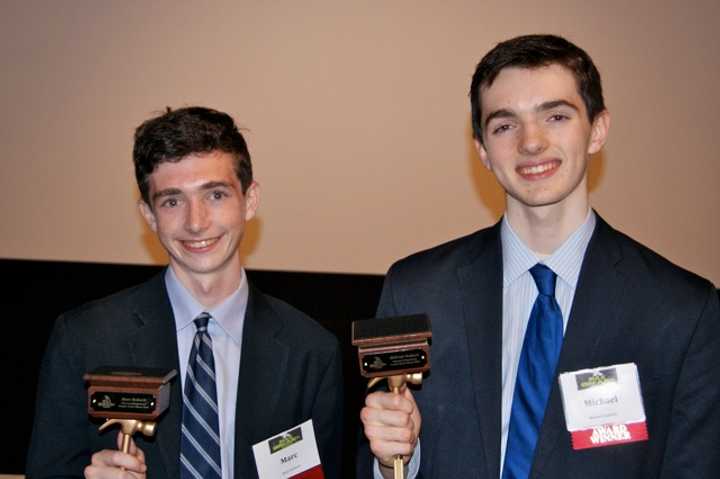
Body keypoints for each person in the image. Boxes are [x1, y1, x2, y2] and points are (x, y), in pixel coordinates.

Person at [358, 34, 720, 478]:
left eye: (556, 116)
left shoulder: (681, 312)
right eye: (505, 125)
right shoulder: (417, 290)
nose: (531, 142)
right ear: (483, 152)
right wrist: (395, 459)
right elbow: (381, 460)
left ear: (598, 129)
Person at [27, 106, 343, 478]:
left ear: (250, 200)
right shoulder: (85, 339)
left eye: (215, 195)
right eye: (172, 201)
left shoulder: (310, 351)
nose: (196, 223)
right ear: (148, 215)